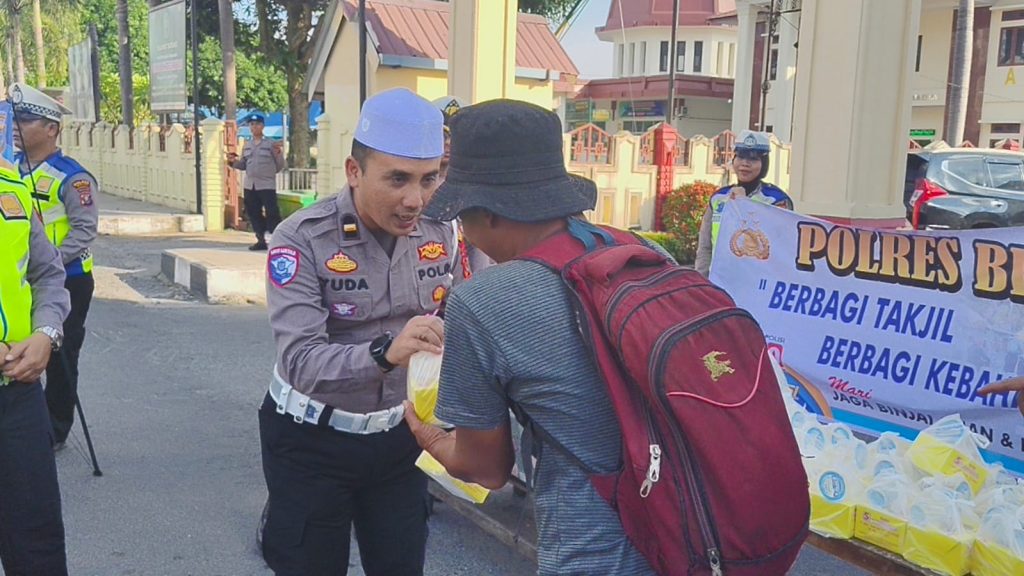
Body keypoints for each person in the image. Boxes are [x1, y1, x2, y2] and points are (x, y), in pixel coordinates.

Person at [406, 99, 656, 575]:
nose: (462, 229)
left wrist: (428, 437)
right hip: (687, 532)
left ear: (488, 213)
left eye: (461, 214)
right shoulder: (636, 249)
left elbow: (487, 468)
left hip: (594, 553)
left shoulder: (481, 302)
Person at [259, 87, 471, 576]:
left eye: (429, 178)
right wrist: (385, 353)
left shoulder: (443, 230)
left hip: (399, 439)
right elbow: (301, 362)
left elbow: (461, 317)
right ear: (354, 171)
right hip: (311, 440)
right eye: (397, 179)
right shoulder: (302, 238)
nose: (415, 199)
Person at [10, 82, 98, 451]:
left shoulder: (73, 177)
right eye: (15, 118)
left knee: (60, 356)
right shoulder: (10, 169)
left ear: (51, 128)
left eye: (26, 119)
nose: (16, 126)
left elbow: (84, 231)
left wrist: (47, 261)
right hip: (21, 281)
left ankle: (55, 429)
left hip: (68, 280)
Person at [0, 156, 72, 575]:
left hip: (18, 395)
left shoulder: (11, 184)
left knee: (36, 540)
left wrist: (46, 332)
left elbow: (47, 273)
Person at [694, 129, 793, 277]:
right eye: (740, 157)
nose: (745, 164)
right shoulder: (719, 198)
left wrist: (743, 204)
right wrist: (701, 281)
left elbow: (780, 250)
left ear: (764, 164)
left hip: (757, 281)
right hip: (720, 279)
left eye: (753, 159)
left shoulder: (776, 200)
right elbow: (705, 247)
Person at [229, 113, 286, 251]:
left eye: (257, 124)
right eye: (252, 124)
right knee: (253, 213)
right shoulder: (247, 145)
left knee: (272, 212)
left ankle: (277, 240)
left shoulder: (270, 144)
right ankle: (260, 240)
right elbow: (244, 164)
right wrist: (232, 162)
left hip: (266, 185)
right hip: (250, 185)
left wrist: (269, 174)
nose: (254, 127)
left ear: (263, 126)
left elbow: (279, 164)